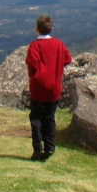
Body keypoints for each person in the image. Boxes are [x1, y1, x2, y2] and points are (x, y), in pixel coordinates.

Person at [25, 15, 72, 161]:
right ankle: (50, 146)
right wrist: (57, 68)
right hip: (54, 87)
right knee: (49, 117)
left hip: (38, 87)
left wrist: (35, 75)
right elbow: (68, 59)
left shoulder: (34, 46)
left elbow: (32, 65)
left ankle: (38, 148)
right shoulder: (59, 44)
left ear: (36, 29)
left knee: (36, 118)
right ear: (52, 28)